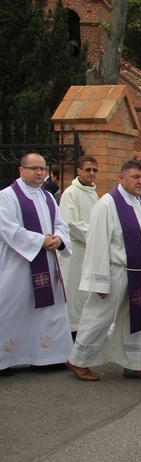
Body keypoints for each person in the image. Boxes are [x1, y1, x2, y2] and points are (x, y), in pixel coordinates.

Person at [66, 160, 141, 382]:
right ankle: (78, 360)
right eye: (135, 177)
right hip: (116, 271)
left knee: (135, 319)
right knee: (98, 317)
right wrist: (99, 281)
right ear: (121, 178)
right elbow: (97, 243)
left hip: (139, 273)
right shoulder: (108, 204)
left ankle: (133, 363)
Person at [0, 153, 72, 376]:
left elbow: (61, 224)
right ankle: (6, 359)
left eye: (43, 169)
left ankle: (47, 356)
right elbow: (9, 229)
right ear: (21, 171)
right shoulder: (6, 196)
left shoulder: (48, 197)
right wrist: (41, 240)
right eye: (34, 168)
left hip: (47, 262)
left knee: (49, 310)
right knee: (12, 308)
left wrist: (59, 239)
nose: (40, 173)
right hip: (18, 265)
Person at [59, 155, 99, 338]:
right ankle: (71, 331)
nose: (91, 173)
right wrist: (97, 235)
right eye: (88, 169)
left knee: (86, 293)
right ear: (79, 171)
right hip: (76, 251)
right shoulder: (70, 193)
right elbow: (70, 223)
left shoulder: (93, 192)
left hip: (90, 250)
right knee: (74, 291)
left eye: (94, 170)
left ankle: (84, 329)